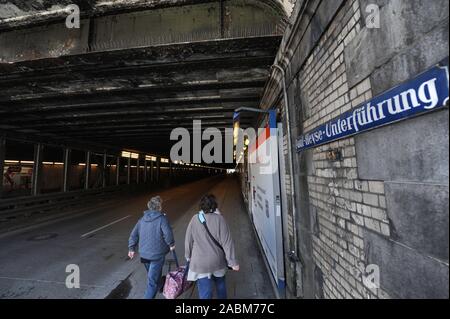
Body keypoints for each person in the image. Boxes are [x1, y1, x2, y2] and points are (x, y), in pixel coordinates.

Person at [185, 194, 239, 299]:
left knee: (205, 292)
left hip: (200, 262)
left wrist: (188, 256)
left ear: (201, 206)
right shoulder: (220, 219)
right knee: (220, 285)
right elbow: (227, 242)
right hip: (217, 261)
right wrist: (232, 262)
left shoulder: (194, 219)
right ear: (214, 206)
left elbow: (188, 241)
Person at [128, 196, 175, 299]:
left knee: (153, 275)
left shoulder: (141, 220)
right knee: (152, 283)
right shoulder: (162, 219)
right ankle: (157, 287)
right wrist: (171, 244)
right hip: (157, 255)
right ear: (159, 207)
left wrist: (131, 248)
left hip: (144, 255)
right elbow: (168, 234)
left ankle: (160, 286)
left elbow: (134, 234)